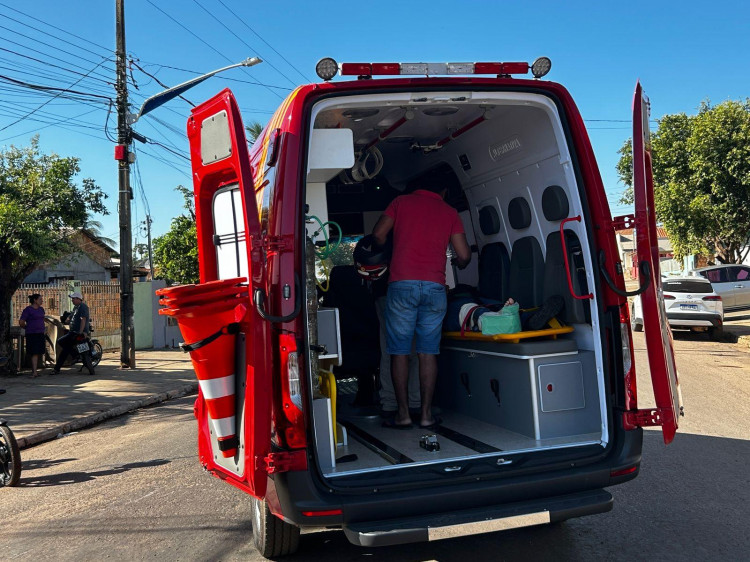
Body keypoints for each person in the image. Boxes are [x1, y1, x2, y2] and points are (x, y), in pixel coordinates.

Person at [372, 183, 471, 429]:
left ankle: (403, 415)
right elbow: (465, 255)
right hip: (435, 288)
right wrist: (457, 262)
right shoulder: (449, 211)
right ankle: (426, 415)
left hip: (402, 285)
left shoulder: (400, 203)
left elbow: (378, 234)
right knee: (428, 351)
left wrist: (386, 253)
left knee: (400, 351)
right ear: (444, 190)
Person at [53, 291, 95, 376]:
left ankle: (75, 355)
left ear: (78, 299)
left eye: (73, 298)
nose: (72, 300)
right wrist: (68, 319)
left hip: (78, 333)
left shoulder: (83, 307)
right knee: (64, 347)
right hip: (73, 332)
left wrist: (81, 332)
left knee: (63, 344)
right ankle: (58, 367)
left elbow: (83, 320)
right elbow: (71, 316)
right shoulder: (76, 307)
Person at [19, 294, 46, 378]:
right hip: (32, 333)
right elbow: (21, 321)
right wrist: (26, 327)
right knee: (34, 352)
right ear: (35, 300)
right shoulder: (28, 310)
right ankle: (34, 371)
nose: (42, 301)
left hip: (40, 333)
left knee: (38, 352)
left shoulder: (41, 309)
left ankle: (36, 371)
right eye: (40, 299)